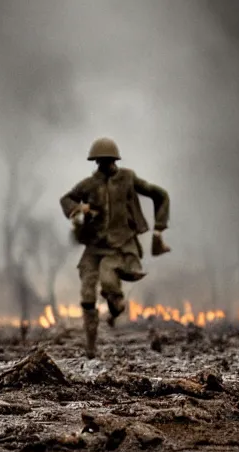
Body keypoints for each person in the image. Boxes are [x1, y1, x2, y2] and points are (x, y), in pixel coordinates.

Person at [60, 138, 170, 358]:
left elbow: (159, 194)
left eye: (108, 161)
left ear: (115, 161)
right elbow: (67, 199)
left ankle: (116, 304)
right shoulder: (89, 185)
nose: (105, 165)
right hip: (94, 247)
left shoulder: (128, 179)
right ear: (96, 162)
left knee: (109, 278)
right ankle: (91, 346)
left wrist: (159, 229)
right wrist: (80, 209)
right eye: (100, 162)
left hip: (120, 246)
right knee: (87, 292)